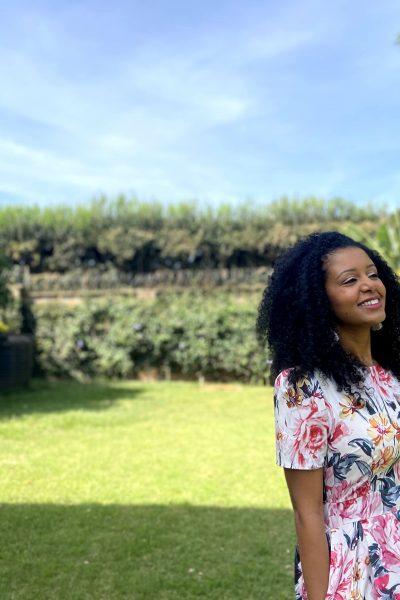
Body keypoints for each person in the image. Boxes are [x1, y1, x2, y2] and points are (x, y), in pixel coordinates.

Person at [256, 230, 400, 599]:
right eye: (350, 280)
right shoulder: (303, 387)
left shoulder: (390, 376)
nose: (369, 285)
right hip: (352, 567)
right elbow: (308, 515)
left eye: (372, 274)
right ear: (319, 301)